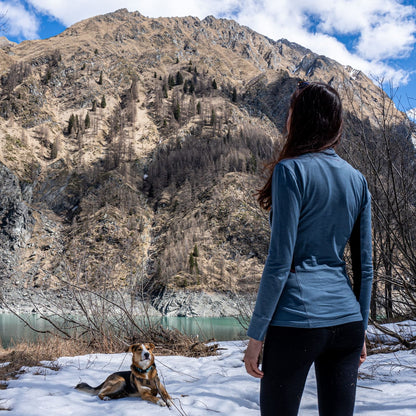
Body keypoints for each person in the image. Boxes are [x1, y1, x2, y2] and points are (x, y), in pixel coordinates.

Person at [244, 81, 373, 416]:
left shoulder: (291, 171)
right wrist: (360, 328)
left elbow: (279, 262)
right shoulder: (357, 179)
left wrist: (256, 335)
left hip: (296, 322)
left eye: (290, 111)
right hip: (346, 322)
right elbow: (366, 268)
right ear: (335, 123)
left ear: (299, 119)